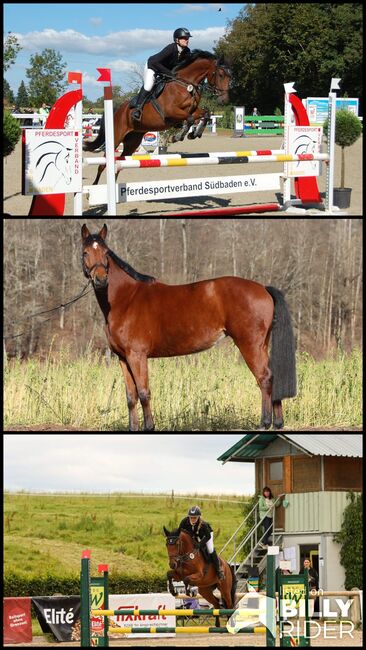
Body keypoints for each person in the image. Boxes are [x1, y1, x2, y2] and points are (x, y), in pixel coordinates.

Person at [132, 27, 192, 121]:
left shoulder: (187, 51)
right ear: (177, 39)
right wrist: (170, 74)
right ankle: (137, 109)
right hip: (152, 66)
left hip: (166, 71)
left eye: (187, 38)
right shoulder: (171, 48)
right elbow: (155, 62)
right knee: (148, 85)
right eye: (184, 38)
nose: (187, 40)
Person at [178, 505, 224, 580]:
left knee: (210, 549)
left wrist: (200, 544)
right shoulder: (184, 522)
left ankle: (218, 570)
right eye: (191, 517)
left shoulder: (203, 525)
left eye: (195, 517)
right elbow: (179, 532)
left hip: (206, 535)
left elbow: (208, 536)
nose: (192, 519)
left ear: (198, 517)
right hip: (194, 536)